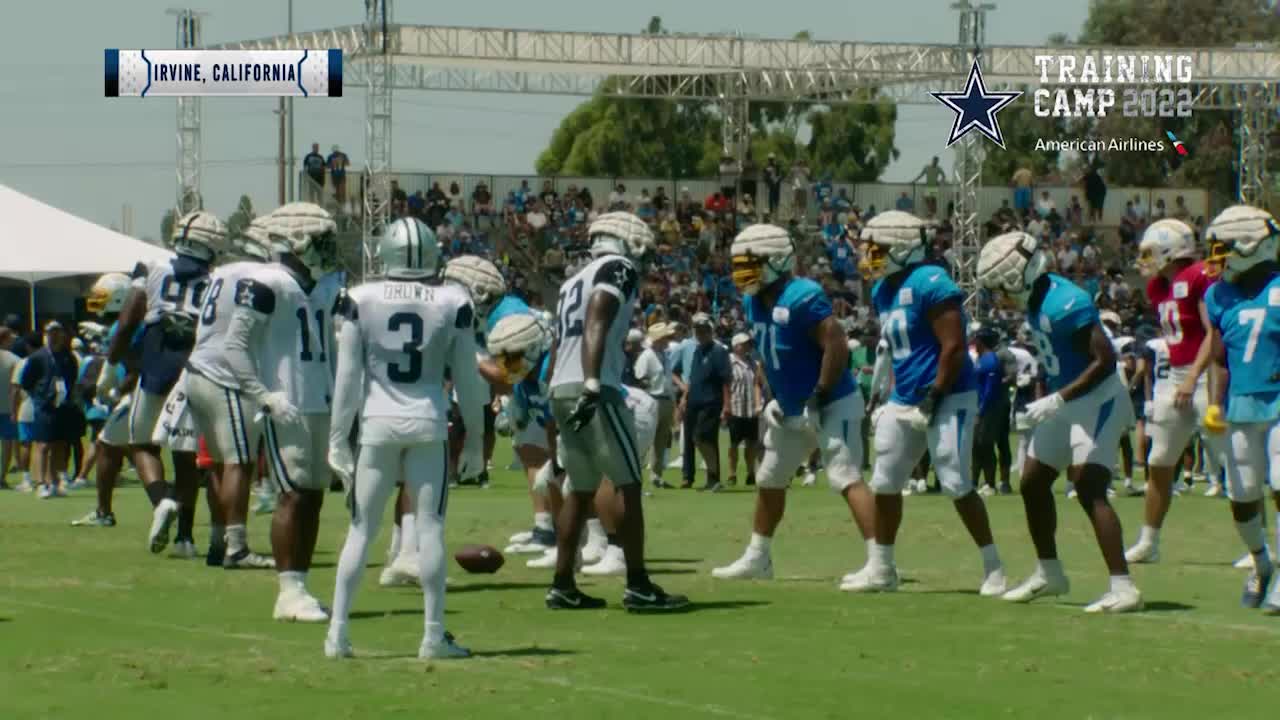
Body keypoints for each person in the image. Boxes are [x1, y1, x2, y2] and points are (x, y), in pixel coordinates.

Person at [325, 214, 480, 659]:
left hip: (377, 422)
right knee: (430, 528)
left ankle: (338, 633)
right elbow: (468, 379)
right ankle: (432, 636)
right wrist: (474, 438)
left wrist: (339, 438)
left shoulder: (360, 297)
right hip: (429, 421)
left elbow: (348, 378)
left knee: (361, 529)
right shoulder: (453, 299)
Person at [978, 230, 1142, 613]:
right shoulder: (1037, 299)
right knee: (1033, 482)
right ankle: (1049, 572)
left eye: (1003, 286)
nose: (1000, 295)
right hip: (1065, 400)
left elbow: (1105, 363)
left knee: (1089, 487)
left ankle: (1124, 587)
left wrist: (1057, 397)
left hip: (1097, 400)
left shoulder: (1066, 301)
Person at [844, 211, 1004, 594]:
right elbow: (903, 352)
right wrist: (895, 395)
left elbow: (952, 347)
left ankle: (994, 567)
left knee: (954, 480)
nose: (869, 257)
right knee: (884, 481)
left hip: (949, 395)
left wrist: (933, 397)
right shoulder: (883, 289)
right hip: (905, 397)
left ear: (902, 248)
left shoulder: (932, 281)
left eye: (876, 249)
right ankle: (882, 568)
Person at [711, 223, 876, 584]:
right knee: (770, 477)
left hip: (833, 400)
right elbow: (773, 356)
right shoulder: (754, 300)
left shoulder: (803, 294)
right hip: (790, 406)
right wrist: (774, 396)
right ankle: (758, 558)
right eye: (739, 265)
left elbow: (835, 343)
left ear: (776, 260)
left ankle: (882, 561)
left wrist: (818, 394)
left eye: (750, 264)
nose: (742, 273)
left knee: (845, 476)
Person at [544, 211, 688, 611]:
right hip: (595, 388)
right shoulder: (617, 267)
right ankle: (638, 584)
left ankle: (562, 583)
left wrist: (560, 385)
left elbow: (562, 340)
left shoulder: (574, 278)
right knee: (628, 483)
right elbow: (599, 314)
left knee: (580, 488)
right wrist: (592, 381)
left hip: (562, 385)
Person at [221, 202, 344, 622]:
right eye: (322, 240)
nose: (330, 248)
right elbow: (233, 347)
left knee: (313, 495)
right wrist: (263, 395)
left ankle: (301, 586)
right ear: (297, 242)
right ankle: (288, 592)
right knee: (292, 495)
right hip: (286, 402)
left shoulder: (324, 287)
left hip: (320, 401)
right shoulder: (267, 281)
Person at [107, 210, 225, 557]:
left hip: (159, 361)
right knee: (186, 456)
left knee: (140, 443)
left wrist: (112, 360)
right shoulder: (219, 278)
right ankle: (185, 539)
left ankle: (162, 501)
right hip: (198, 365)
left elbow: (129, 318)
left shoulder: (152, 265)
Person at [1125, 219, 1224, 564]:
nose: (1146, 259)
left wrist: (1192, 376)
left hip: (1204, 375)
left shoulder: (1198, 276)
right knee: (1159, 462)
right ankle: (1149, 541)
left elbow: (1214, 332)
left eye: (1151, 252)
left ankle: (1260, 547)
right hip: (1175, 378)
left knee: (1237, 463)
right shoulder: (1159, 287)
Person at [182, 215, 277, 568]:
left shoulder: (221, 272)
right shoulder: (258, 276)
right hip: (224, 376)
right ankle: (236, 546)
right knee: (239, 462)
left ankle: (217, 541)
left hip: (197, 370)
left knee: (218, 465)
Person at [1201, 204, 1280, 611]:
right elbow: (1218, 357)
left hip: (1278, 401)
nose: (1216, 258)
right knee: (1243, 494)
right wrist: (1214, 403)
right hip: (1241, 405)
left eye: (1222, 248)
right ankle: (1262, 563)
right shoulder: (1218, 294)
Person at [20, 321, 79, 499]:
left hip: (63, 405)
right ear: (46, 334)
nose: (54, 335)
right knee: (44, 444)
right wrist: (40, 396)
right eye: (50, 332)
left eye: (57, 332)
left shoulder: (68, 356)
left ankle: (55, 481)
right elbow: (26, 381)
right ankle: (42, 483)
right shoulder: (38, 357)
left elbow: (73, 378)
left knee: (60, 444)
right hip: (44, 406)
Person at [673, 313, 731, 491]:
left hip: (711, 402)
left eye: (703, 331)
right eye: (697, 331)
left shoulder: (719, 351)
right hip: (693, 401)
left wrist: (727, 406)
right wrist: (684, 398)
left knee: (703, 437)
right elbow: (692, 377)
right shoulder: (698, 350)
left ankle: (713, 477)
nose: (699, 334)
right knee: (690, 439)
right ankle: (688, 477)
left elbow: (726, 381)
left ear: (710, 331)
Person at [634, 322, 677, 488]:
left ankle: (656, 475)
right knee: (646, 438)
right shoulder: (647, 356)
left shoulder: (664, 355)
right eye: (665, 337)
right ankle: (637, 474)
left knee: (661, 440)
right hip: (652, 398)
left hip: (666, 399)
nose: (668, 340)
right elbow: (640, 378)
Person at [972, 327, 1008, 496]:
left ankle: (990, 483)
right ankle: (975, 481)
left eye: (976, 340)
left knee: (985, 445)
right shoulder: (981, 359)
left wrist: (981, 410)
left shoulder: (991, 361)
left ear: (981, 341)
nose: (974, 343)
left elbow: (990, 390)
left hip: (990, 408)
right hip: (979, 407)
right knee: (977, 445)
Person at [726, 333, 764, 487]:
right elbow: (726, 386)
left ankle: (750, 473)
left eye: (748, 343)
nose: (747, 346)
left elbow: (758, 384)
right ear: (735, 346)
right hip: (735, 408)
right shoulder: (728, 362)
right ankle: (732, 473)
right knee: (733, 444)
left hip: (751, 410)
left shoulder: (754, 363)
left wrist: (758, 404)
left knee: (751, 444)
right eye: (744, 344)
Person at [0, 328, 19, 488]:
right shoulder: (14, 360)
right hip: (7, 407)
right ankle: (1, 476)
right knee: (7, 443)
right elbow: (17, 386)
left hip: (7, 407)